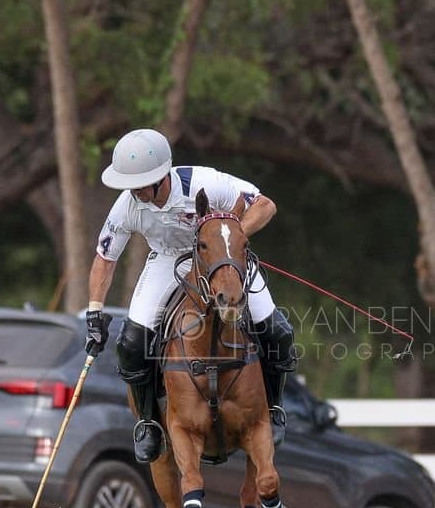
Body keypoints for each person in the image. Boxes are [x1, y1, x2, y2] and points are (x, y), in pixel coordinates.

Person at [83, 128, 297, 464]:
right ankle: (149, 422)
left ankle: (273, 408)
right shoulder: (127, 206)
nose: (135, 191)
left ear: (161, 176)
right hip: (168, 260)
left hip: (219, 257)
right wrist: (94, 313)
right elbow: (104, 259)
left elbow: (265, 206)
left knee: (279, 332)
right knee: (131, 344)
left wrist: (228, 238)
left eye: (141, 183)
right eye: (131, 184)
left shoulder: (205, 183)